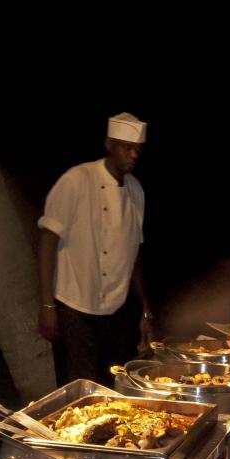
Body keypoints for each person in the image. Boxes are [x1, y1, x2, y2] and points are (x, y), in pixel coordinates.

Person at [37, 112, 154, 383]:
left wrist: (145, 310)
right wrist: (46, 305)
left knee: (113, 381)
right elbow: (47, 241)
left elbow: (134, 252)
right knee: (79, 384)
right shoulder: (77, 179)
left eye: (138, 149)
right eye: (127, 148)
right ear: (109, 145)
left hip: (115, 306)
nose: (134, 155)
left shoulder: (136, 190)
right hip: (73, 304)